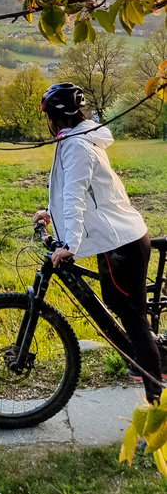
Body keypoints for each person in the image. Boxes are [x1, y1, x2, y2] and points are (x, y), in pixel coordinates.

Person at [32, 82, 162, 404]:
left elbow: (76, 196)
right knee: (122, 309)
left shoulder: (77, 146)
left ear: (54, 118)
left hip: (122, 242)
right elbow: (79, 192)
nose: (47, 123)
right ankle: (146, 361)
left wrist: (70, 245)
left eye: (47, 116)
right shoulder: (76, 140)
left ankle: (156, 400)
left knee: (132, 318)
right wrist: (50, 213)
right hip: (116, 239)